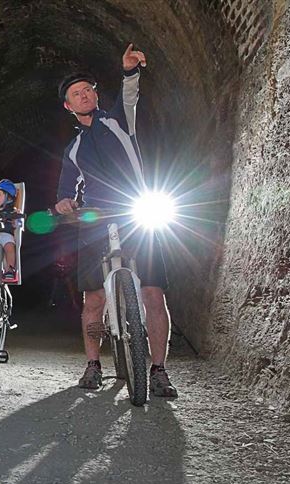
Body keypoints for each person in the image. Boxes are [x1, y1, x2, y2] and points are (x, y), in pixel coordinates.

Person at [53, 43, 177, 398]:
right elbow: (67, 190)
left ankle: (159, 370)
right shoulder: (73, 148)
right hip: (95, 220)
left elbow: (130, 96)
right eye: (77, 94)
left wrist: (130, 72)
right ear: (69, 106)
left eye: (88, 89)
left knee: (153, 293)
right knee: (94, 299)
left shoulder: (119, 120)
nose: (85, 95)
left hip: (137, 211)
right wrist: (64, 204)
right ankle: (93, 365)